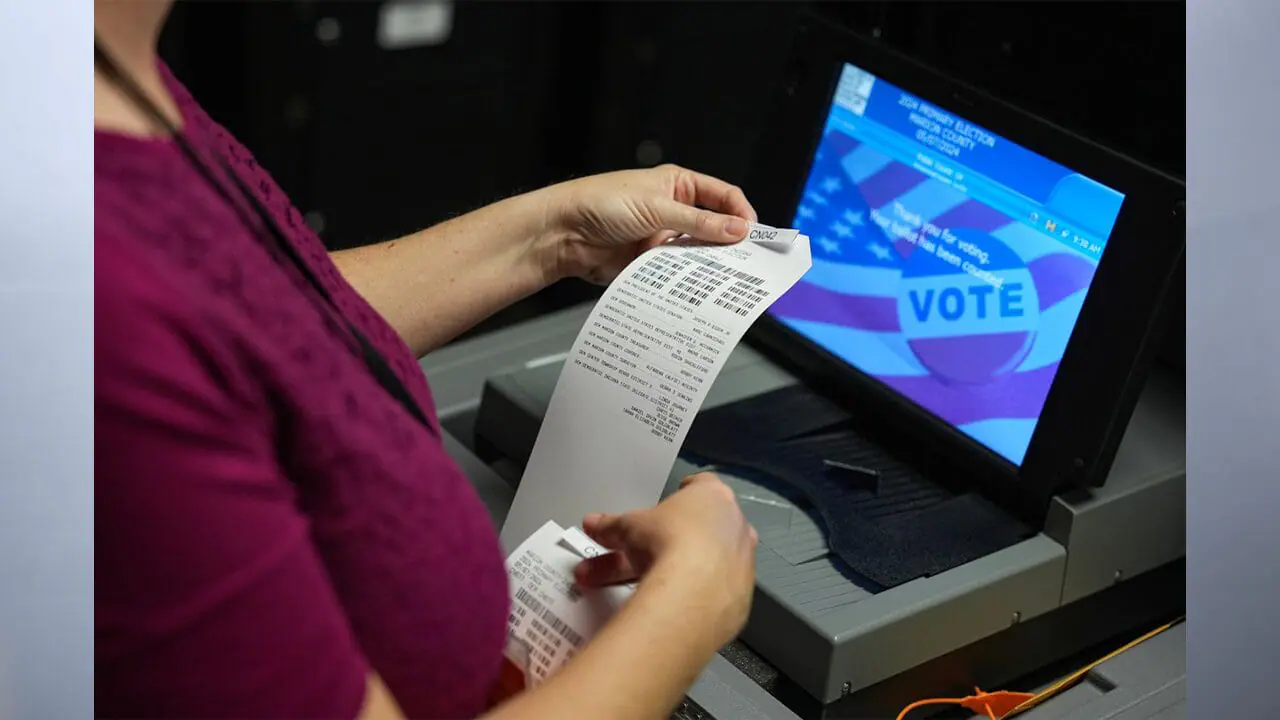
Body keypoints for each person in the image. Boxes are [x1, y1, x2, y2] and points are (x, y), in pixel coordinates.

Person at [95, 1, 762, 718]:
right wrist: (691, 604)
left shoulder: (111, 71)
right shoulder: (89, 306)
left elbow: (245, 322)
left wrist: (554, 237)